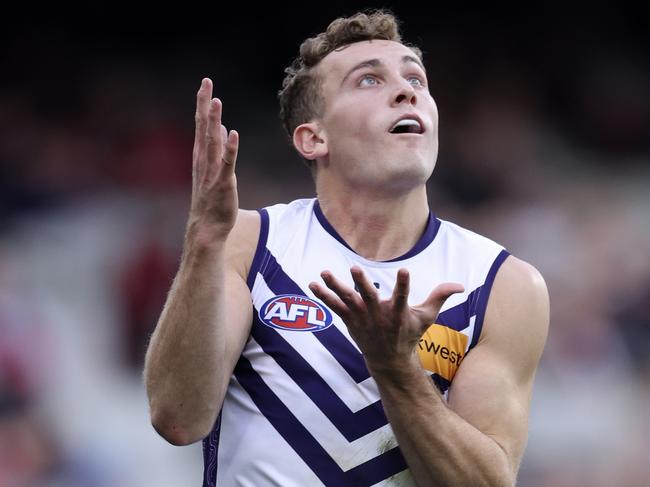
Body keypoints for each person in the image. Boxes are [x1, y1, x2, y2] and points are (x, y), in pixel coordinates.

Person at [143, 10, 549, 486]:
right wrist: (203, 242)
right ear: (314, 138)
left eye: (415, 77)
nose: (406, 90)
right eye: (369, 81)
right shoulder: (250, 244)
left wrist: (394, 369)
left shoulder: (502, 284)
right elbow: (177, 419)